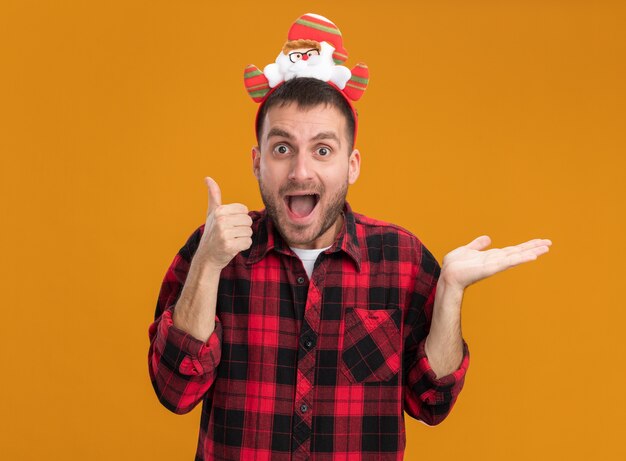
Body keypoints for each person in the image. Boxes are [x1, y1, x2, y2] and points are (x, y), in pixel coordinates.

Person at [148, 14, 551, 461]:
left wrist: (450, 292)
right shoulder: (212, 250)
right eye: (282, 149)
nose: (301, 170)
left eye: (323, 150)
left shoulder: (404, 259)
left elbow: (431, 403)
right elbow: (174, 390)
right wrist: (207, 266)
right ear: (257, 161)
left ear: (352, 164)